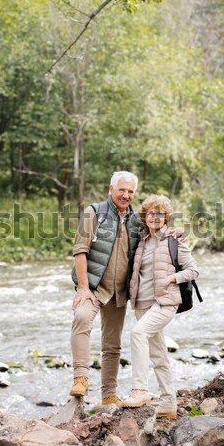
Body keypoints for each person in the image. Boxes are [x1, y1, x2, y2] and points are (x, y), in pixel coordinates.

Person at [121, 194, 199, 419]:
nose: (155, 217)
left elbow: (193, 270)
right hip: (141, 304)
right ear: (145, 217)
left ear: (167, 217)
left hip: (165, 302)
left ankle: (140, 390)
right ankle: (168, 404)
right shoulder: (142, 240)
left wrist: (172, 278)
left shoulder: (175, 241)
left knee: (137, 334)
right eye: (151, 214)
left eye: (160, 214)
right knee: (159, 355)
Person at [69, 171, 140, 406]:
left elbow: (158, 232)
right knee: (81, 318)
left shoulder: (136, 221)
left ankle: (109, 395)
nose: (126, 195)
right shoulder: (95, 212)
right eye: (122, 190)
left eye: (130, 191)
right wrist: (83, 289)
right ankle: (80, 377)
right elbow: (80, 250)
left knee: (112, 346)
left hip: (119, 292)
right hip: (94, 287)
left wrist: (176, 234)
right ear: (111, 189)